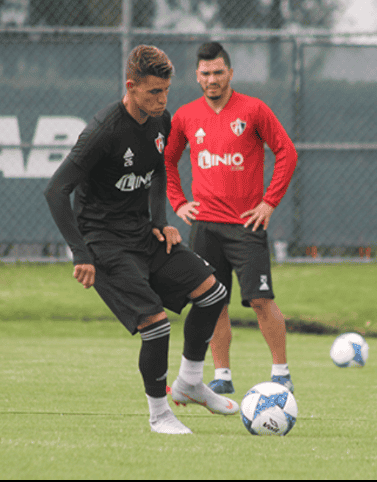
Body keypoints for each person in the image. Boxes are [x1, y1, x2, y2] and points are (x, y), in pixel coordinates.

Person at [44, 44, 239, 435]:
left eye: (166, 91)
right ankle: (160, 414)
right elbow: (55, 190)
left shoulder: (160, 120)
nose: (162, 99)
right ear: (131, 87)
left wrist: (160, 220)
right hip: (105, 245)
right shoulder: (103, 131)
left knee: (214, 293)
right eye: (153, 92)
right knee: (155, 324)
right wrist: (81, 253)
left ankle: (190, 382)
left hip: (143, 235)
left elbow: (157, 171)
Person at [165, 42, 298, 395]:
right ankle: (221, 376)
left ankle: (281, 373)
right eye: (205, 73)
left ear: (230, 73)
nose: (212, 79)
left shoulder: (253, 110)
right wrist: (178, 202)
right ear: (197, 76)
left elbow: (287, 152)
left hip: (246, 225)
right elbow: (167, 160)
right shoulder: (185, 116)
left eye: (218, 72)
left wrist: (269, 203)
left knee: (260, 300)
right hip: (204, 226)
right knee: (212, 301)